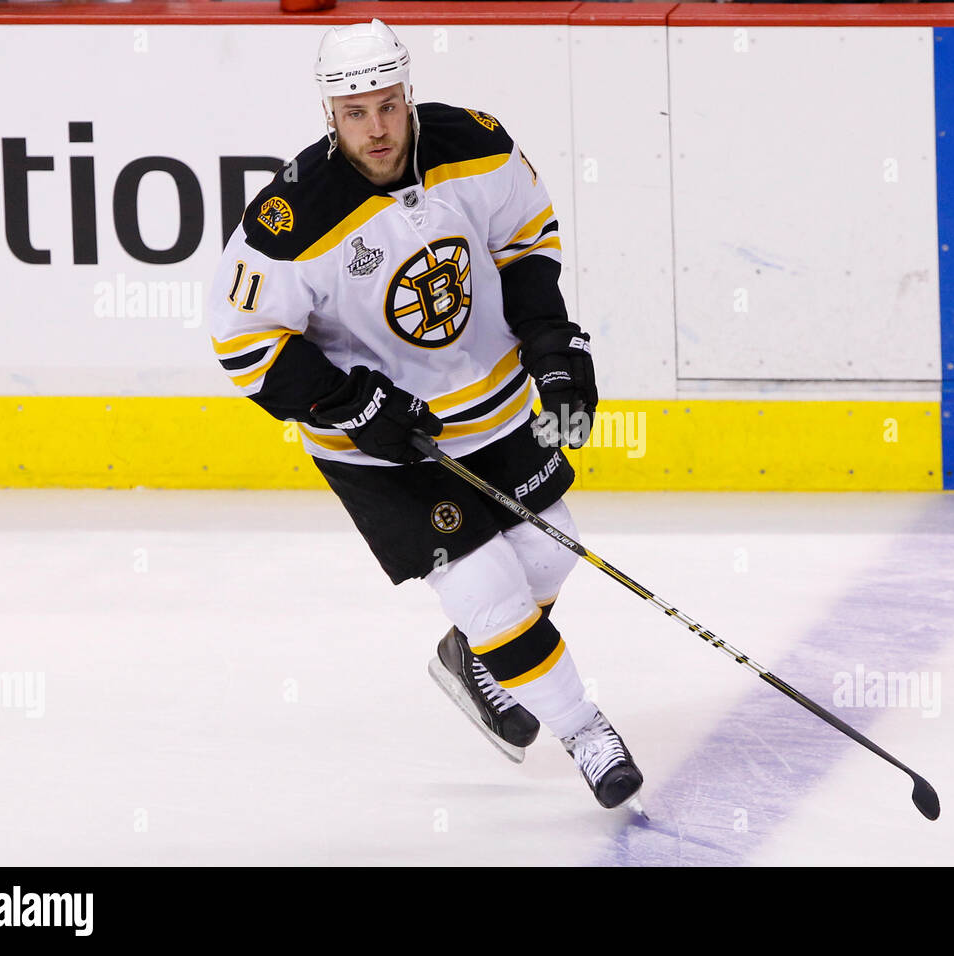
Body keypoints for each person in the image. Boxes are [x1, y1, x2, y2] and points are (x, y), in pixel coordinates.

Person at [208, 19, 643, 810]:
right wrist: (351, 405)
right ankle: (585, 731)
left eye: (387, 105)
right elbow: (242, 341)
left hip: (492, 399)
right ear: (329, 115)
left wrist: (550, 344)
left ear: (408, 94)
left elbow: (525, 238)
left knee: (554, 553)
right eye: (354, 113)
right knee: (489, 593)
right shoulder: (291, 216)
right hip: (380, 448)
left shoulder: (475, 143)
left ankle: (476, 659)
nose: (376, 129)